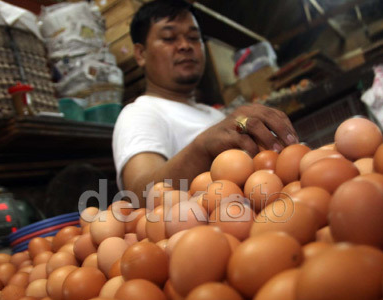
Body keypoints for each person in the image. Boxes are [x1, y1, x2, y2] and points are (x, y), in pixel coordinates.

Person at [112, 0, 298, 205]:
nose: (185, 46)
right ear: (140, 54)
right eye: (169, 38)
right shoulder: (140, 113)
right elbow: (139, 194)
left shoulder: (213, 114)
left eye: (194, 37)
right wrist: (202, 149)